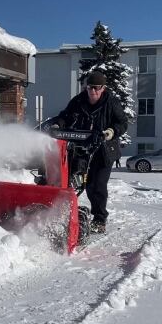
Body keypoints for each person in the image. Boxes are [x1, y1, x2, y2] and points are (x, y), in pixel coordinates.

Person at [50, 71, 128, 234]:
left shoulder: (111, 103)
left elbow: (122, 123)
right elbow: (65, 116)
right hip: (80, 148)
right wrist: (58, 125)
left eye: (96, 88)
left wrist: (111, 131)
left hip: (104, 150)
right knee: (70, 180)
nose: (93, 91)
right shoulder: (78, 101)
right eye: (90, 87)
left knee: (96, 185)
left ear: (103, 88)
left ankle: (99, 219)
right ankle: (59, 211)